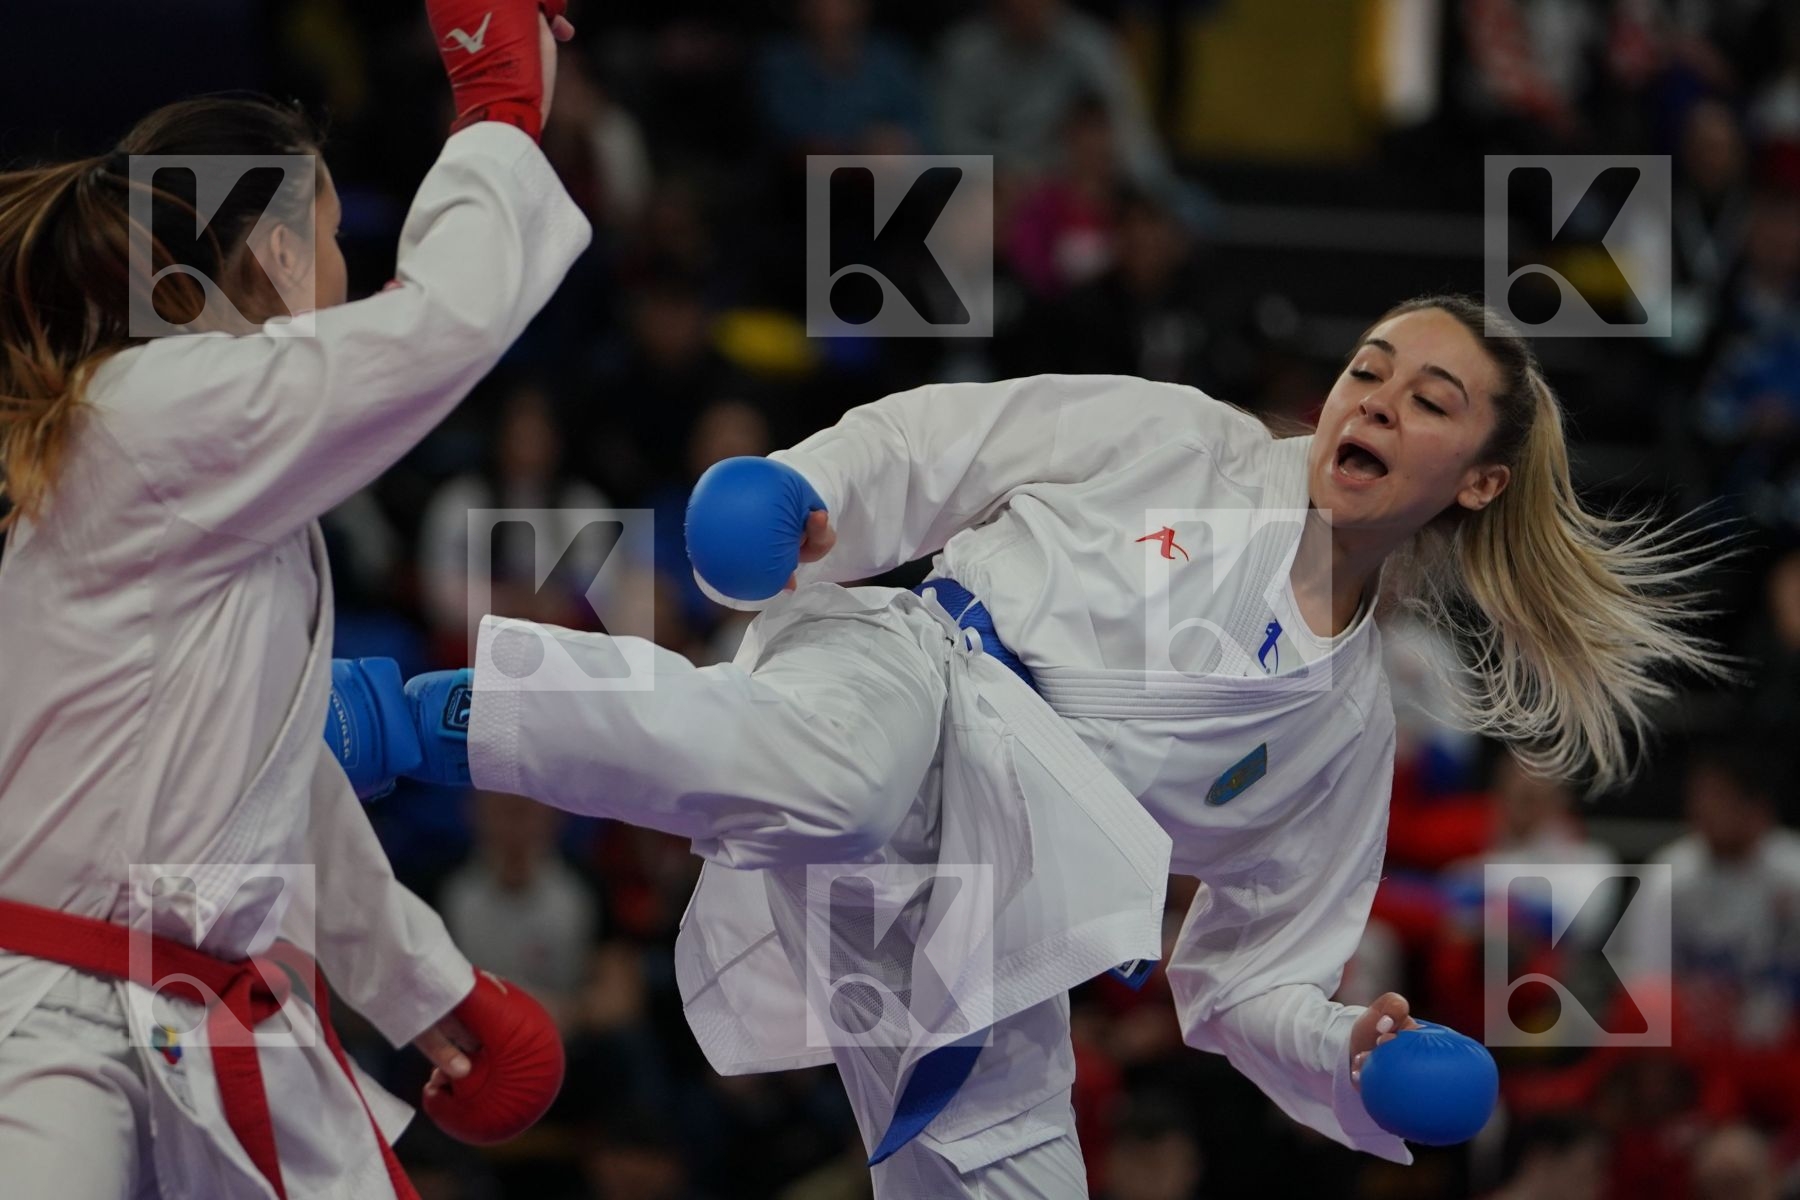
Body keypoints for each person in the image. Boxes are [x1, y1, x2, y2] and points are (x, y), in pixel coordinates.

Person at [348, 295, 1719, 1195]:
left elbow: (1247, 982)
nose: (1373, 399)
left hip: (995, 916)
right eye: (1371, 369)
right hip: (912, 677)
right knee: (833, 774)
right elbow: (952, 439)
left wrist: (1350, 1052)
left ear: (1478, 478)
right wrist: (811, 489)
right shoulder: (1185, 440)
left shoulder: (1344, 733)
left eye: (1428, 400)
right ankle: (419, 715)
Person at [0, 1, 590, 1196]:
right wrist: (497, 116)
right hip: (49, 1021)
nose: (344, 270)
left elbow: (274, 785)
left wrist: (432, 989)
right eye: (326, 235)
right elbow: (439, 330)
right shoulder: (158, 414)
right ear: (270, 252)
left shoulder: (217, 473)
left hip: (197, 1014)